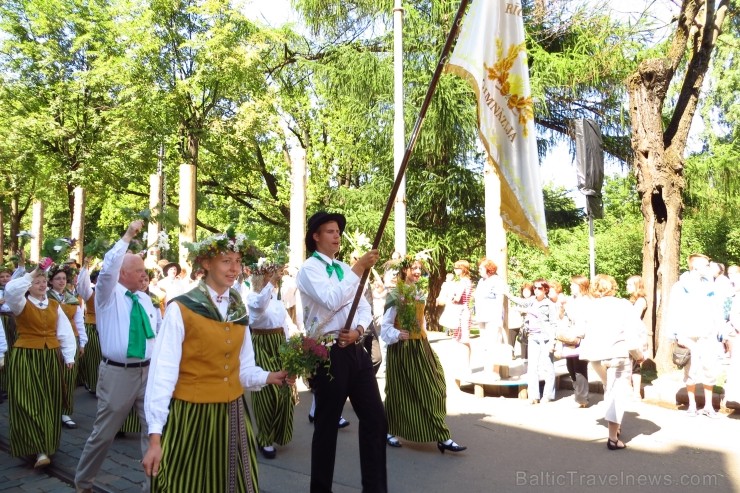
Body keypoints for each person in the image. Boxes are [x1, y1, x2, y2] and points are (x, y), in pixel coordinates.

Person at [142, 228, 292, 492]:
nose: (234, 268)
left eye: (237, 261)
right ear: (206, 263)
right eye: (226, 261)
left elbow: (244, 368)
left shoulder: (237, 308)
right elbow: (162, 374)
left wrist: (269, 377)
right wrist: (155, 437)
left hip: (232, 416)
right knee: (187, 485)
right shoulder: (182, 308)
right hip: (191, 415)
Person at [297, 211, 387, 493]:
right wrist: (358, 267)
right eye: (330, 231)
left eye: (338, 231)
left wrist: (359, 330)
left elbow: (362, 306)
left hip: (355, 350)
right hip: (328, 353)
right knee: (327, 426)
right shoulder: (309, 269)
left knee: (375, 419)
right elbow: (331, 298)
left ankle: (375, 488)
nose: (337, 236)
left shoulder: (345, 270)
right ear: (316, 236)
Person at [75, 220, 160, 492]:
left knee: (153, 431)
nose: (144, 275)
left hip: (148, 374)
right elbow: (109, 265)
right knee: (103, 435)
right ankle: (83, 482)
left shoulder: (146, 299)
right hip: (117, 374)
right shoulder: (106, 295)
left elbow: (154, 337)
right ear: (123, 273)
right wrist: (127, 235)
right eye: (139, 271)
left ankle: (152, 487)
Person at [381, 255, 466, 453]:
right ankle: (390, 430)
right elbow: (385, 324)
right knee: (398, 392)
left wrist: (423, 336)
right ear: (404, 271)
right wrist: (396, 334)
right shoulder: (395, 294)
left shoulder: (419, 292)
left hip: (420, 346)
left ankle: (439, 434)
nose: (418, 272)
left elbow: (421, 321)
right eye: (414, 268)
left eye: (419, 268)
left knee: (434, 387)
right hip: (402, 349)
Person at [5, 259, 76, 468]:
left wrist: (69, 356)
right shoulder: (20, 303)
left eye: (44, 281)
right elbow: (10, 289)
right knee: (28, 401)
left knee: (50, 401)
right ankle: (35, 446)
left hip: (50, 357)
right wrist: (34, 271)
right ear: (29, 285)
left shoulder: (54, 305)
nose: (42, 284)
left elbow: (64, 331)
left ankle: (46, 447)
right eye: (37, 282)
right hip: (26, 357)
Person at [578, 274, 645, 450]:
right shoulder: (623, 305)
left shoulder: (589, 307)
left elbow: (579, 331)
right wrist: (638, 354)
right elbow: (632, 334)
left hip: (596, 357)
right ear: (613, 287)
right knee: (617, 393)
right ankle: (613, 438)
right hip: (617, 354)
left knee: (610, 389)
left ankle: (615, 427)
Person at [664, 253, 725, 418]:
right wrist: (675, 335)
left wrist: (720, 330)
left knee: (709, 368)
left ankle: (708, 406)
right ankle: (691, 405)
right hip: (687, 334)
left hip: (708, 333)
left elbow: (717, 309)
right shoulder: (680, 286)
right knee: (690, 370)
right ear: (695, 267)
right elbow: (673, 311)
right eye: (706, 265)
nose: (709, 268)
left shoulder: (711, 286)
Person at [247, 264, 295, 460]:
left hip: (279, 345)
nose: (271, 280)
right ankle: (264, 438)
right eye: (266, 277)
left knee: (283, 393)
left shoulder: (277, 300)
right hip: (261, 345)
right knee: (266, 394)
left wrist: (293, 347)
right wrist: (272, 282)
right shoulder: (252, 298)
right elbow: (259, 305)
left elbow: (285, 325)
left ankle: (276, 433)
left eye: (271, 277)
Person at [47, 263, 88, 429]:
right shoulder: (47, 298)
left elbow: (79, 321)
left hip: (73, 339)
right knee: (54, 377)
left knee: (70, 377)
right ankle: (51, 409)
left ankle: (66, 411)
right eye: (58, 278)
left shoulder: (72, 298)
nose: (62, 281)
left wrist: (82, 342)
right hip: (53, 341)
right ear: (51, 281)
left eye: (64, 278)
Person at [511, 279, 557, 404]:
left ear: (545, 290)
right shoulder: (531, 301)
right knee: (532, 367)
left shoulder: (549, 304)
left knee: (548, 366)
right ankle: (534, 395)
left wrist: (553, 342)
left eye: (539, 288)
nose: (536, 290)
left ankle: (547, 395)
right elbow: (520, 301)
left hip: (545, 337)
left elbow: (553, 324)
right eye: (534, 288)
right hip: (533, 336)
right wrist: (506, 293)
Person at [474, 257, 509, 378]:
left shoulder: (497, 281)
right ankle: (486, 370)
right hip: (481, 316)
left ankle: (494, 372)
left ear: (488, 269)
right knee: (484, 345)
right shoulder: (481, 281)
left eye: (481, 268)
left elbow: (500, 301)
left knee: (493, 344)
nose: (479, 270)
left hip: (493, 317)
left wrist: (499, 319)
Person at [560, 275, 591, 407]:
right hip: (570, 336)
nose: (570, 287)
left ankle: (582, 398)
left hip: (581, 337)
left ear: (580, 286)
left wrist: (567, 307)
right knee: (570, 365)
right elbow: (564, 317)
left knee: (579, 367)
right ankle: (577, 390)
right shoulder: (571, 300)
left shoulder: (586, 301)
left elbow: (582, 319)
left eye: (573, 284)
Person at [77, 260, 102, 394]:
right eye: (100, 278)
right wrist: (85, 267)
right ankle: (93, 384)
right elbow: (82, 285)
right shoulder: (90, 292)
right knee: (94, 357)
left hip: (107, 328)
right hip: (92, 326)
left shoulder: (113, 292)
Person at [626, 275, 648, 400]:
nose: (627, 287)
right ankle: (630, 390)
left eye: (629, 285)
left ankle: (636, 392)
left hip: (635, 335)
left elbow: (634, 318)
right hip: (631, 333)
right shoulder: (633, 300)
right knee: (629, 363)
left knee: (635, 364)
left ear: (636, 285)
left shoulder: (640, 301)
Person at [450, 260, 473, 376]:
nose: (454, 270)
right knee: (462, 339)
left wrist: (451, 297)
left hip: (462, 312)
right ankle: (465, 366)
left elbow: (457, 298)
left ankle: (465, 367)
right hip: (464, 311)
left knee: (463, 339)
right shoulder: (467, 281)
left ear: (462, 269)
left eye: (456, 268)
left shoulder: (463, 282)